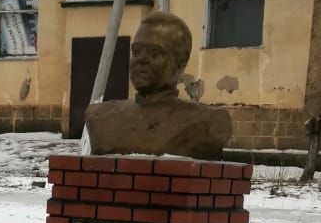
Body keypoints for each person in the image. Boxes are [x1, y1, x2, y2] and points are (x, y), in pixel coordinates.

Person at [86, 11, 232, 160]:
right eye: (136, 51)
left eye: (154, 53)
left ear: (181, 61)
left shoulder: (207, 122)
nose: (141, 59)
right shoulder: (101, 117)